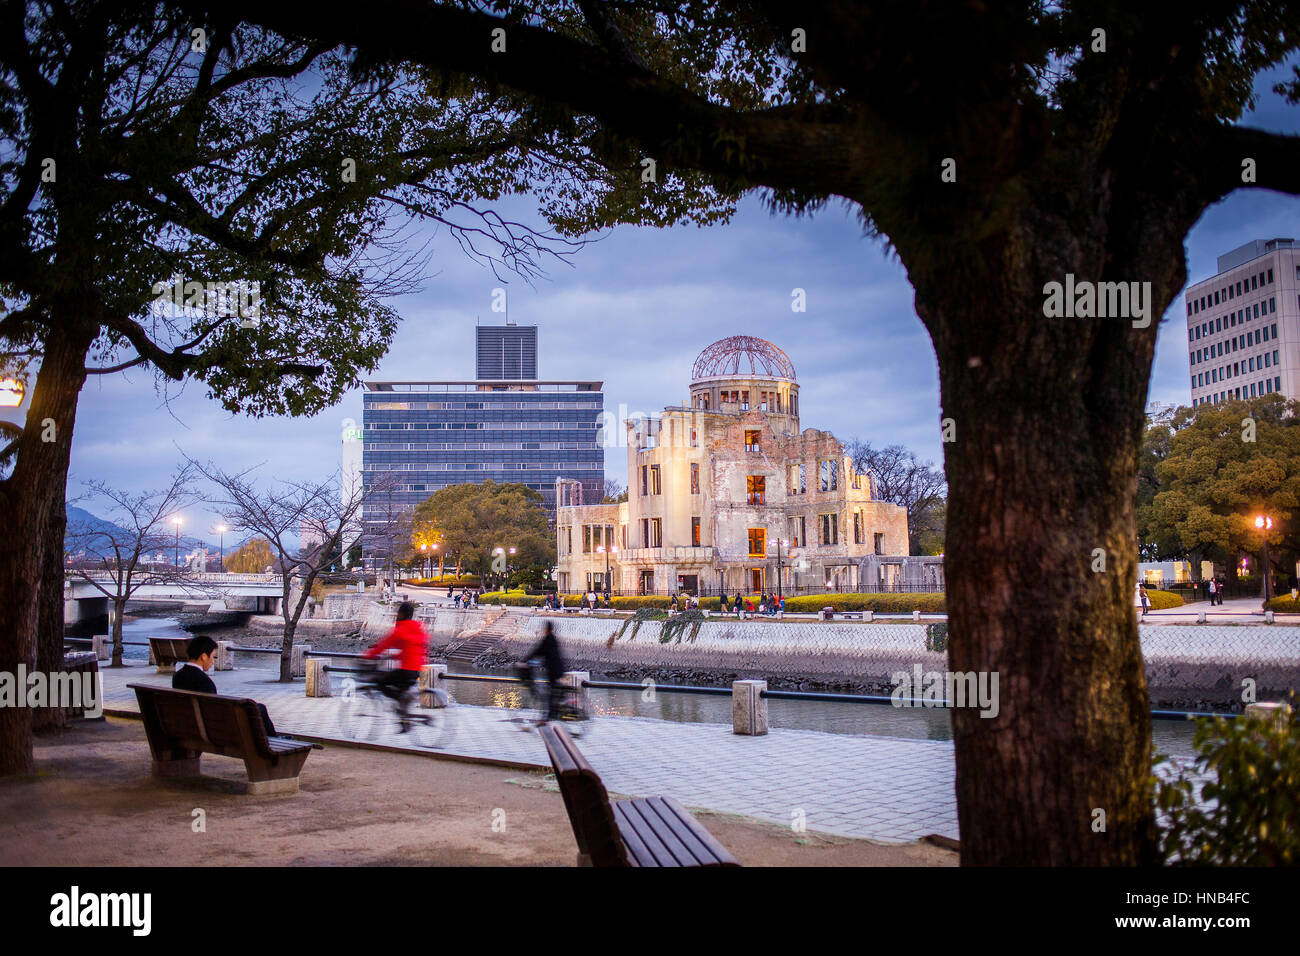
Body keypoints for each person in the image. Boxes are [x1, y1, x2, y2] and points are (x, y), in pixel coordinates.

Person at [173, 635, 280, 737]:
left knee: (257, 708)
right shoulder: (204, 682)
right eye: (213, 657)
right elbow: (213, 714)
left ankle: (272, 738)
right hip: (213, 731)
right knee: (259, 708)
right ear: (204, 657)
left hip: (187, 726)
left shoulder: (177, 676)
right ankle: (272, 740)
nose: (212, 661)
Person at [361, 601, 430, 730]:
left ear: (401, 614)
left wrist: (368, 655)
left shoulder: (401, 629)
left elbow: (385, 644)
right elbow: (412, 649)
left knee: (380, 683)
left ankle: (401, 701)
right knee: (399, 686)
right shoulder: (419, 628)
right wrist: (396, 656)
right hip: (416, 670)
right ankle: (404, 719)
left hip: (405, 670)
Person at [521, 621, 566, 722]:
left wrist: (525, 661)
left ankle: (551, 714)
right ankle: (560, 702)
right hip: (557, 669)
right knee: (554, 688)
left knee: (550, 692)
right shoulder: (552, 638)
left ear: (546, 629)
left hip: (553, 670)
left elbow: (537, 651)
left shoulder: (547, 639)